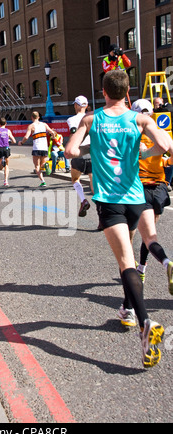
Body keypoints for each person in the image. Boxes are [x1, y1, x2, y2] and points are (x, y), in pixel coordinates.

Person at [65, 70, 173, 368]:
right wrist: (141, 152)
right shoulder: (140, 119)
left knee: (126, 263)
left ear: (103, 91)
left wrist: (94, 149)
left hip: (110, 201)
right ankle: (129, 311)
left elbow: (70, 151)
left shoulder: (92, 120)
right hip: (137, 198)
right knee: (134, 256)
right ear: (127, 92)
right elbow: (166, 146)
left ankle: (146, 322)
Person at [131, 99, 173, 295]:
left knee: (134, 234)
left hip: (137, 188)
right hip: (159, 188)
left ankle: (132, 270)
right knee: (150, 234)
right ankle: (142, 268)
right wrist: (165, 161)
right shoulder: (161, 133)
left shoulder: (132, 134)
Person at [67, 96, 94, 217]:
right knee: (94, 184)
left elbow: (74, 133)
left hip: (79, 151)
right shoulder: (94, 117)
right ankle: (101, 214)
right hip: (93, 151)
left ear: (76, 105)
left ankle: (83, 200)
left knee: (75, 179)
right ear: (86, 106)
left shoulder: (71, 119)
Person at [19, 111, 54, 187]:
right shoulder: (44, 124)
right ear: (38, 117)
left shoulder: (31, 126)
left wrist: (21, 142)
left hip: (37, 148)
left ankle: (43, 181)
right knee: (42, 164)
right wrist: (53, 136)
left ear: (32, 117)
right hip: (45, 147)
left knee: (37, 166)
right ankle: (46, 165)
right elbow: (51, 131)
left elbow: (26, 137)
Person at [0, 117, 17, 187]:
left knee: (0, 168)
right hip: (6, 148)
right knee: (7, 166)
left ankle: (2, 163)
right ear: (6, 123)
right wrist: (10, 141)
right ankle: (6, 181)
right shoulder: (8, 131)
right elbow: (14, 141)